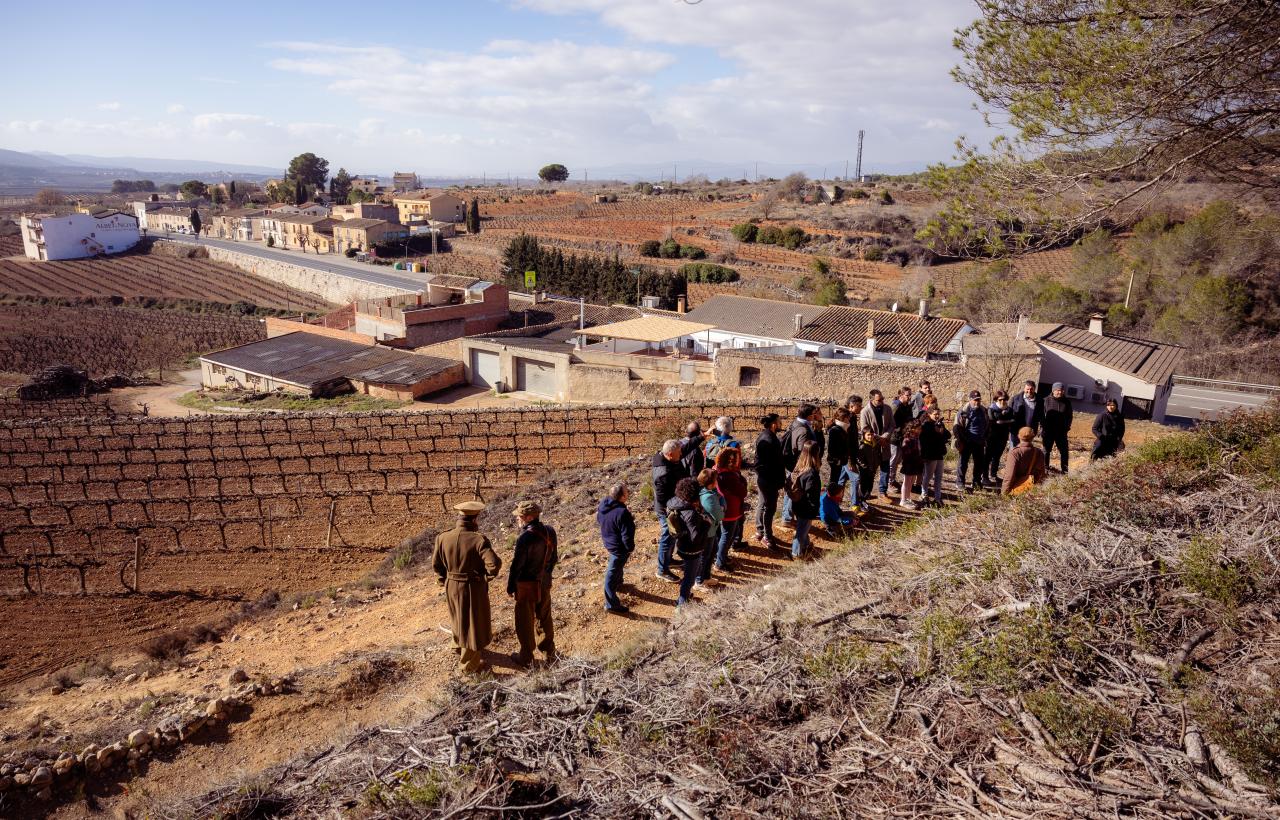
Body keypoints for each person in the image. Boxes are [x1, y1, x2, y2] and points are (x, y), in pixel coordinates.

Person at [432, 501, 502, 676]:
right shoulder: (478, 539)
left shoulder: (442, 537)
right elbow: (494, 564)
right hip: (471, 587)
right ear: (475, 518)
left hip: (451, 585)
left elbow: (437, 565)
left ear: (460, 517)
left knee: (457, 616)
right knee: (473, 624)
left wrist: (444, 581)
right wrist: (484, 578)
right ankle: (468, 667)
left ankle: (457, 645)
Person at [507, 501, 558, 668]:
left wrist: (511, 585)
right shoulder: (550, 531)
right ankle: (549, 653)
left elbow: (517, 565)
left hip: (526, 584)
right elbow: (553, 558)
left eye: (520, 517)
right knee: (544, 617)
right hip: (544, 581)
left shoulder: (525, 538)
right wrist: (546, 574)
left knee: (524, 621)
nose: (518, 519)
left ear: (529, 517)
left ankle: (526, 657)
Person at [666, 477, 712, 607]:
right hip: (692, 550)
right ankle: (682, 602)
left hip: (681, 545)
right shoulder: (690, 513)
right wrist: (706, 524)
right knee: (689, 577)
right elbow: (696, 538)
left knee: (688, 572)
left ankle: (685, 594)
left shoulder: (673, 503)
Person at [652, 439, 688, 582]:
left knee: (673, 535)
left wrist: (700, 438)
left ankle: (670, 560)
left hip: (672, 505)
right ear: (670, 454)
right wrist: (677, 504)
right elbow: (662, 498)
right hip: (666, 509)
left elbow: (686, 448)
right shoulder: (663, 472)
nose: (681, 455)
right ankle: (662, 570)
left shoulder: (663, 457)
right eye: (678, 453)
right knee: (668, 535)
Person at [781, 404, 824, 525]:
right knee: (795, 489)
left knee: (793, 488)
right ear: (810, 415)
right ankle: (787, 517)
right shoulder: (803, 429)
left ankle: (787, 516)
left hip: (796, 465)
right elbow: (802, 450)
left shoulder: (797, 423)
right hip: (800, 466)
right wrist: (806, 466)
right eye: (814, 414)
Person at [596, 483, 635, 614]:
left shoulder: (604, 504)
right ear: (622, 497)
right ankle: (611, 604)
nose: (628, 492)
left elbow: (599, 520)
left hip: (608, 541)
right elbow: (627, 536)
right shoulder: (623, 513)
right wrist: (630, 548)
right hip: (618, 547)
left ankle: (619, 583)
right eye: (626, 491)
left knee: (617, 568)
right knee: (611, 574)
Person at [712, 448, 748, 571]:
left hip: (724, 508)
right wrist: (742, 481)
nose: (738, 461)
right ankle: (720, 563)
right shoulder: (729, 476)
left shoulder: (716, 469)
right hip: (732, 510)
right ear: (730, 461)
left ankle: (720, 556)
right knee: (727, 536)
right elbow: (742, 492)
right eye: (735, 459)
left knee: (724, 534)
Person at [753, 414, 785, 547]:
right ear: (773, 424)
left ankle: (760, 531)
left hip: (764, 479)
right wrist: (776, 481)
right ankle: (767, 535)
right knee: (769, 508)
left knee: (762, 504)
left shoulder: (764, 436)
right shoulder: (769, 440)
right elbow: (768, 464)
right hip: (769, 480)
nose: (781, 424)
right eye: (779, 422)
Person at [789, 440, 822, 558]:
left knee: (803, 527)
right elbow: (811, 494)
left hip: (797, 504)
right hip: (807, 508)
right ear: (815, 454)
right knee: (801, 531)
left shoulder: (799, 468)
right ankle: (796, 554)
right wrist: (815, 509)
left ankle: (807, 545)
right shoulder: (812, 474)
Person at [859, 390, 895, 498]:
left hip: (885, 443)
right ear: (871, 400)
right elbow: (865, 428)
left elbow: (892, 425)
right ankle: (865, 494)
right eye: (879, 400)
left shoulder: (887, 409)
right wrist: (880, 439)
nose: (882, 401)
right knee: (870, 470)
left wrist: (885, 437)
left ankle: (882, 491)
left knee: (885, 467)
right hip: (871, 445)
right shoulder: (865, 412)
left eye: (883, 399)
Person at [954, 390, 989, 493]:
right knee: (963, 463)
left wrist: (985, 438)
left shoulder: (983, 411)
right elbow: (957, 427)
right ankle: (960, 482)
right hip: (966, 442)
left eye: (978, 400)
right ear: (970, 400)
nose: (977, 402)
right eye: (975, 400)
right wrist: (961, 441)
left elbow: (987, 425)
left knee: (979, 464)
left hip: (979, 442)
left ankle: (976, 483)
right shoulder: (963, 411)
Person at [695, 468, 724, 587]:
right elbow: (720, 515)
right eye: (716, 480)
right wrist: (721, 507)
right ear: (711, 483)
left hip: (711, 530)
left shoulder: (708, 493)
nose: (718, 481)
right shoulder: (708, 497)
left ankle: (706, 577)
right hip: (707, 532)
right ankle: (699, 581)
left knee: (711, 553)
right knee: (704, 556)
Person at [918, 406, 951, 507]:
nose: (937, 416)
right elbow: (925, 439)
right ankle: (924, 495)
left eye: (938, 414)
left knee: (939, 477)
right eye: (935, 414)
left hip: (939, 453)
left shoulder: (939, 423)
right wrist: (936, 432)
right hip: (930, 454)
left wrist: (941, 431)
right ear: (929, 414)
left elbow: (948, 435)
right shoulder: (925, 425)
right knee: (927, 476)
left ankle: (938, 497)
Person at [1002, 427, 1047, 495]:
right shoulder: (1039, 452)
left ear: (1018, 436)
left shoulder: (1015, 453)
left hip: (1018, 489)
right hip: (1034, 490)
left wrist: (1004, 492)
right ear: (1032, 437)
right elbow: (1042, 473)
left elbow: (1009, 476)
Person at [1042, 383, 1075, 473]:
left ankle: (1064, 471)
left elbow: (1070, 416)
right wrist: (1043, 428)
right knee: (1046, 451)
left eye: (1061, 390)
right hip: (1048, 431)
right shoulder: (1046, 400)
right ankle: (1045, 469)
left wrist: (1067, 427)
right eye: (1057, 390)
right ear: (1053, 390)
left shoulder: (1067, 402)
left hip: (1061, 432)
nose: (1059, 392)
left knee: (1064, 452)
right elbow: (1041, 416)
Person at [986, 391, 1016, 485]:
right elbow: (993, 421)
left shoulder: (1009, 409)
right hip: (991, 436)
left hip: (1003, 437)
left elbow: (1012, 421)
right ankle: (984, 476)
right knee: (988, 457)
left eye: (1004, 399)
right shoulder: (991, 409)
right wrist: (1005, 419)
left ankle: (993, 475)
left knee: (997, 457)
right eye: (1000, 399)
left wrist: (1002, 420)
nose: (1003, 401)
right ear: (996, 399)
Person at [887, 386, 915, 490]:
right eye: (907, 395)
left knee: (897, 460)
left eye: (910, 395)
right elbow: (890, 421)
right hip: (894, 437)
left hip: (902, 437)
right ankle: (889, 482)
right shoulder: (896, 406)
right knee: (893, 460)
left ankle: (892, 480)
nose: (909, 397)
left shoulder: (907, 406)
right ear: (901, 395)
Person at [825, 407, 855, 492]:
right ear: (844, 418)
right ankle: (829, 497)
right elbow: (831, 448)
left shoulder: (842, 428)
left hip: (841, 460)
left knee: (837, 480)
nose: (849, 420)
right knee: (834, 480)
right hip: (836, 461)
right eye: (848, 417)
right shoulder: (835, 430)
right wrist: (837, 460)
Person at [1008, 381, 1044, 448]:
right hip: (1016, 431)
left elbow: (1042, 416)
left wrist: (1041, 428)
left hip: (1029, 432)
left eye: (1031, 389)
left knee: (1026, 451)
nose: (1029, 391)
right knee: (1014, 450)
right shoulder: (1015, 399)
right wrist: (1009, 427)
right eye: (1027, 389)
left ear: (1034, 389)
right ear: (1024, 389)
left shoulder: (1040, 401)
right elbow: (1009, 414)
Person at [898, 420, 923, 510]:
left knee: (911, 481)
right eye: (918, 428)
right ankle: (903, 500)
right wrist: (914, 458)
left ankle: (907, 498)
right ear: (912, 429)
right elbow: (906, 454)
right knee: (906, 482)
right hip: (909, 464)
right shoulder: (907, 439)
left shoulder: (916, 438)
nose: (920, 430)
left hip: (915, 463)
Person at [856, 427, 881, 508]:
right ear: (864, 435)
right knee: (863, 485)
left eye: (872, 434)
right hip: (864, 471)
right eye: (868, 435)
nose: (870, 436)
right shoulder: (862, 446)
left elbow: (877, 456)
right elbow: (859, 459)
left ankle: (867, 496)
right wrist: (865, 467)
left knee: (870, 484)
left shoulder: (875, 445)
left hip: (872, 469)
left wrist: (876, 465)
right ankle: (862, 501)